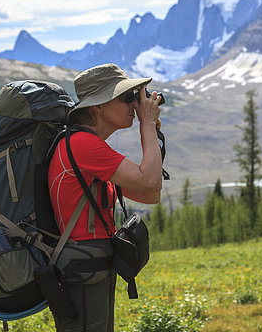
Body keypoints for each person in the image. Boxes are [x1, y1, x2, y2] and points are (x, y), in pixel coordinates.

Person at [47, 63, 163, 331]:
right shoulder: (82, 145)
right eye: (126, 97)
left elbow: (151, 194)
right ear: (97, 107)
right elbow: (151, 181)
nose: (134, 105)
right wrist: (146, 123)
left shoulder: (86, 145)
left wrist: (149, 131)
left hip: (88, 264)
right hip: (84, 266)